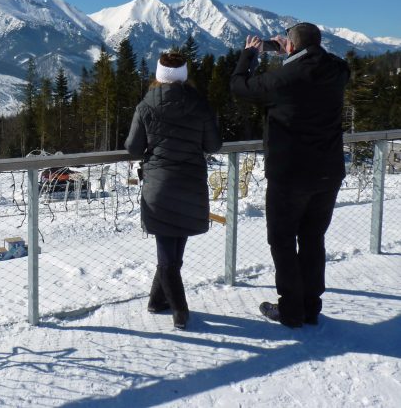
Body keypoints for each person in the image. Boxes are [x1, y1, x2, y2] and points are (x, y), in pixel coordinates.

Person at [230, 22, 349, 328]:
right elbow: (331, 61)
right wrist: (296, 52)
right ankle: (311, 308)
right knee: (313, 239)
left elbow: (239, 86)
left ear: (291, 47)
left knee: (282, 241)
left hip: (290, 175)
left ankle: (291, 310)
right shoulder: (337, 71)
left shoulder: (283, 79)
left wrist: (249, 55)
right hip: (328, 174)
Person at [125, 52, 222, 329]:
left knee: (168, 251)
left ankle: (179, 310)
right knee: (174, 249)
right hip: (190, 182)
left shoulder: (146, 105)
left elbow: (133, 148)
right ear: (184, 75)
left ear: (159, 75)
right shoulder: (200, 105)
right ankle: (158, 301)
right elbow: (213, 145)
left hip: (160, 185)